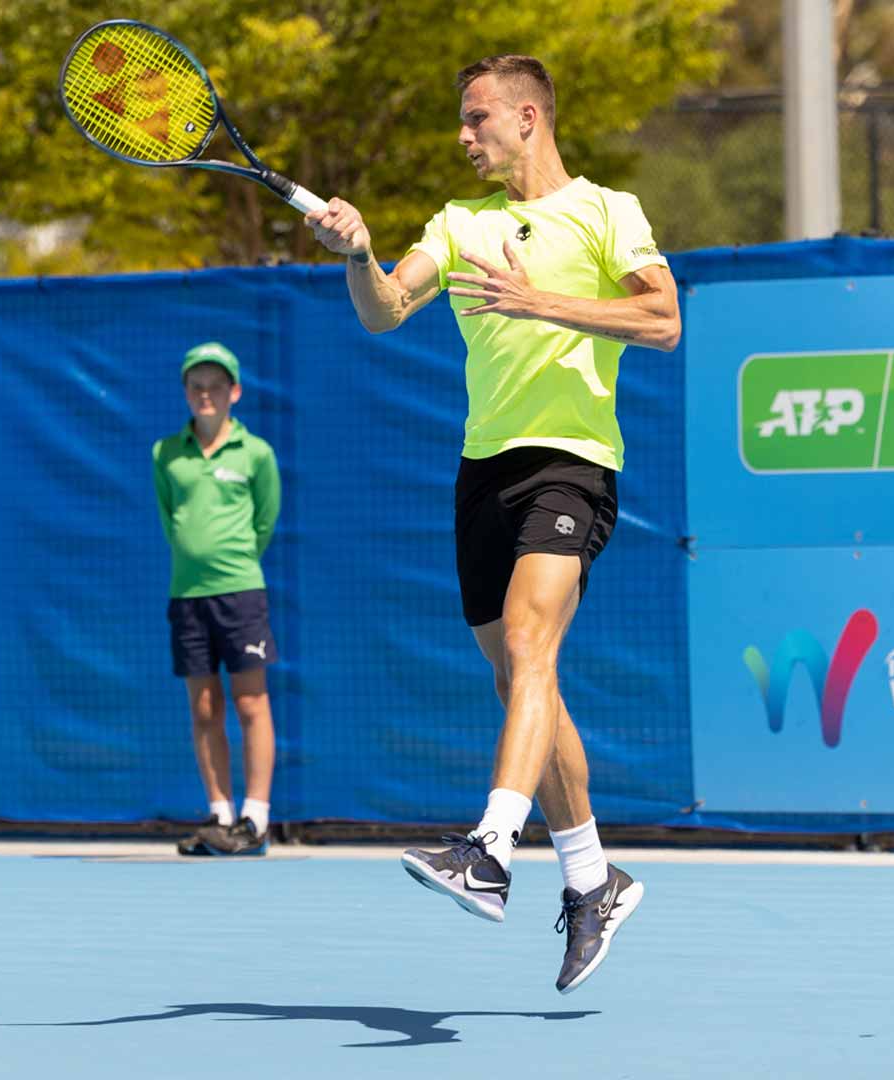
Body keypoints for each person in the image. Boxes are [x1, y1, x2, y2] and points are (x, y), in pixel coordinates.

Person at [303, 55, 681, 992]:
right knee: (524, 678)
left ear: (526, 116)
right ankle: (595, 880)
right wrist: (360, 251)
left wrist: (537, 301)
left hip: (572, 463)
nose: (463, 137)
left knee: (528, 639)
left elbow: (665, 318)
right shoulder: (458, 224)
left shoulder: (606, 210)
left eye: (477, 120)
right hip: (484, 473)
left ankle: (491, 850)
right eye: (461, 123)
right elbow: (387, 310)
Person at [152, 342, 282, 857]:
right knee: (204, 706)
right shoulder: (165, 454)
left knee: (251, 701)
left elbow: (265, 521)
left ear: (235, 392)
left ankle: (255, 819)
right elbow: (171, 520)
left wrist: (234, 562)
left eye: (215, 386)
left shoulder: (257, 454)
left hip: (241, 594)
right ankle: (219, 814)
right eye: (196, 386)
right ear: (187, 393)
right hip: (187, 596)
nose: (205, 395)